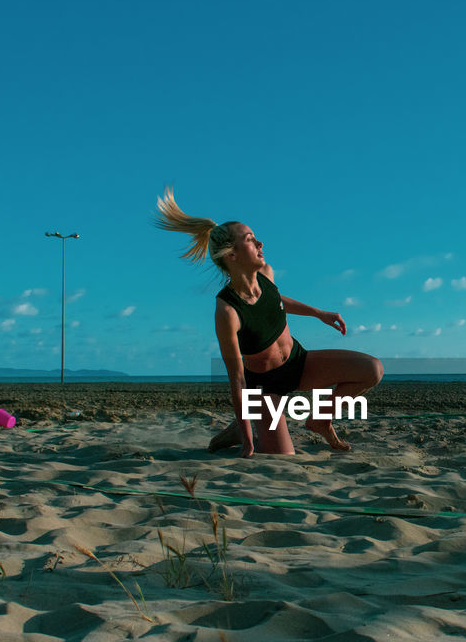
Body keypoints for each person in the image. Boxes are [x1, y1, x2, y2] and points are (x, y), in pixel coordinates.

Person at [155, 188, 383, 457]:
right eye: (251, 240)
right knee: (284, 459)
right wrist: (249, 441)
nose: (261, 244)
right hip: (264, 387)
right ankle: (240, 430)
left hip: (298, 362)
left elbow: (275, 299)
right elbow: (237, 380)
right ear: (232, 255)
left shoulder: (266, 273)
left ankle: (320, 419)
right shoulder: (227, 311)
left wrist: (318, 313)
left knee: (371, 369)